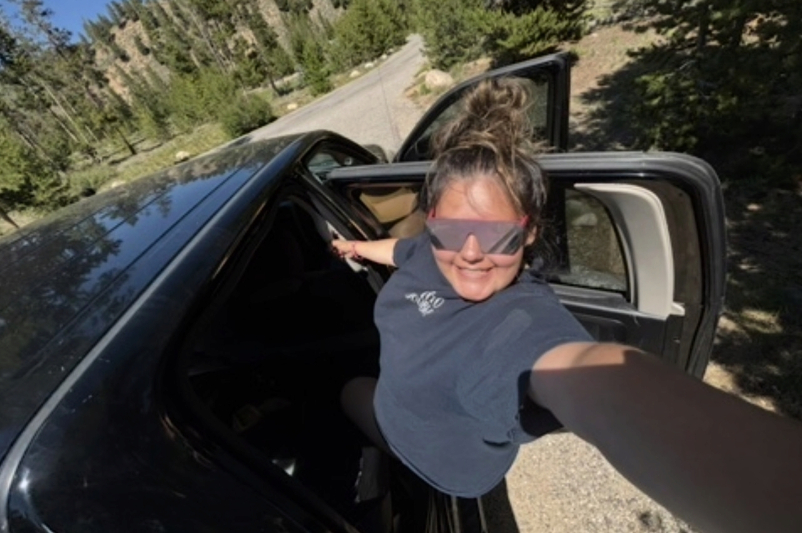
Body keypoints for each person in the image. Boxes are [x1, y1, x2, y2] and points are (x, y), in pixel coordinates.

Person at [332, 78, 802, 533]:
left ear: (530, 230)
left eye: (498, 235)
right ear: (430, 222)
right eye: (451, 230)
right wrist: (356, 248)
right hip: (392, 415)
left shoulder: (520, 324)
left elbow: (595, 378)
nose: (471, 252)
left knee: (335, 396)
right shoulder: (430, 251)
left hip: (451, 469)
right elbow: (402, 251)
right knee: (346, 388)